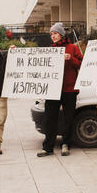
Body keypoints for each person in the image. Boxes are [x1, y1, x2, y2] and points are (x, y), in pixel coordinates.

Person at [37, 22, 83, 157]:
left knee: (68, 118)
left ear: (62, 34)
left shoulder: (73, 48)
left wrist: (71, 59)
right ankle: (48, 147)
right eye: (51, 34)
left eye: (55, 33)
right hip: (53, 90)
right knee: (49, 118)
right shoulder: (50, 49)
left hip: (69, 89)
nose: (53, 36)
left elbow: (82, 63)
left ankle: (66, 144)